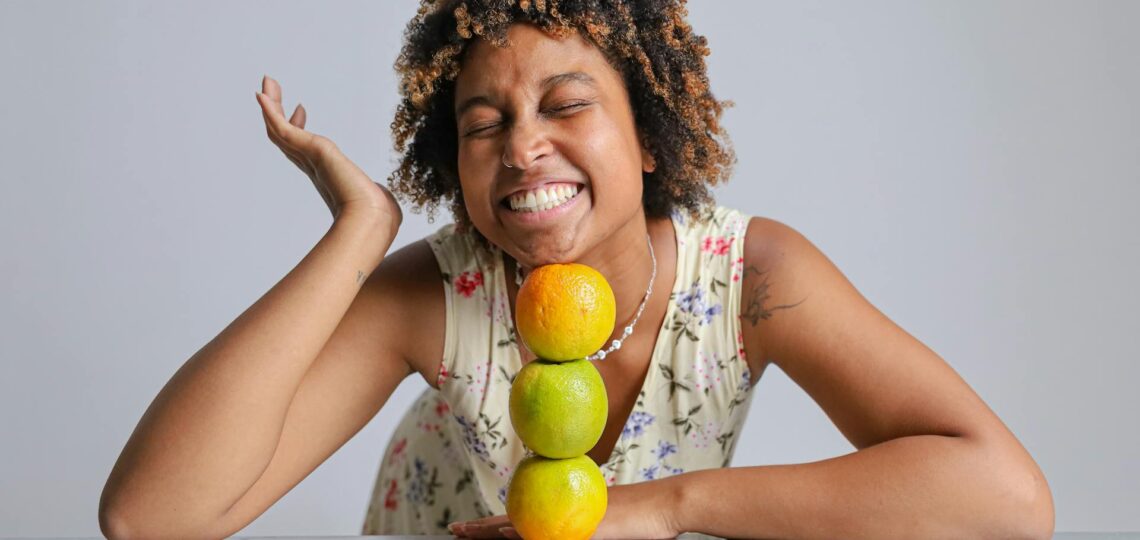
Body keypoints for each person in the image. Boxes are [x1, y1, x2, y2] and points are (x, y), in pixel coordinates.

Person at [99, 1, 1054, 538]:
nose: (522, 149)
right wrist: (359, 233)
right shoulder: (439, 291)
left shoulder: (749, 278)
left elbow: (1006, 503)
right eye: (484, 125)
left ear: (649, 139)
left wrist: (664, 508)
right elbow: (149, 520)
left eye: (567, 105)